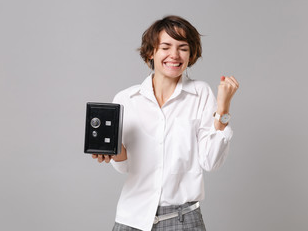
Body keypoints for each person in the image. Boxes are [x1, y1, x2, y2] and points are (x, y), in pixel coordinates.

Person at [92, 15, 239, 231]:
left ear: (191, 54)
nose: (174, 55)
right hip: (132, 218)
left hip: (183, 220)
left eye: (183, 48)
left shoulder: (201, 94)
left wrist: (223, 110)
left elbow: (211, 161)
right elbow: (124, 166)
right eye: (166, 47)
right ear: (151, 52)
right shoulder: (126, 99)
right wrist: (113, 152)